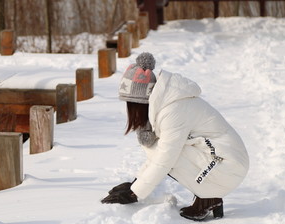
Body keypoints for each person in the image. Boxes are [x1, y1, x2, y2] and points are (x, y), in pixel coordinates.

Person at [101, 52, 249, 221]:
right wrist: (136, 184)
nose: (130, 110)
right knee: (162, 148)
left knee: (168, 153)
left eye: (131, 104)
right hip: (221, 160)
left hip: (228, 165)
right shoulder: (166, 103)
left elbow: (165, 158)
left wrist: (136, 193)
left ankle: (209, 197)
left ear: (142, 99)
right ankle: (208, 195)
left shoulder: (173, 110)